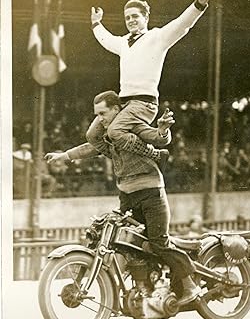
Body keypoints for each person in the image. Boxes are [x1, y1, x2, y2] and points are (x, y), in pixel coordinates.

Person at [45, 90, 201, 306]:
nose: (100, 119)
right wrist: (65, 155)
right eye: (96, 115)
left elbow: (157, 137)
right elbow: (91, 146)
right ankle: (144, 288)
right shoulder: (110, 136)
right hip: (126, 195)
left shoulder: (131, 127)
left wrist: (164, 129)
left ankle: (190, 285)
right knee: (129, 244)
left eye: (103, 113)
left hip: (150, 192)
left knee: (158, 243)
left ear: (117, 109)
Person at [88, 0, 217, 163]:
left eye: (135, 16)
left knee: (114, 131)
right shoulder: (124, 42)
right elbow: (106, 40)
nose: (131, 20)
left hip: (143, 103)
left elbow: (182, 24)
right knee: (92, 135)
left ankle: (155, 155)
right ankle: (120, 159)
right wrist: (96, 23)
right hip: (123, 103)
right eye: (127, 18)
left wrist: (200, 3)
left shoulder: (157, 37)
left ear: (146, 18)